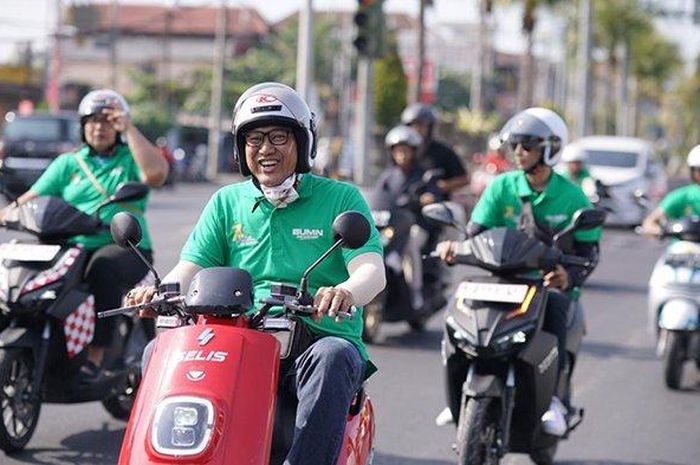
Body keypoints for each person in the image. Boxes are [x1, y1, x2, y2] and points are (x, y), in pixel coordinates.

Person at [126, 82, 386, 465]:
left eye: (279, 137)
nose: (266, 149)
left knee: (333, 356)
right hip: (237, 334)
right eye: (254, 139)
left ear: (303, 143)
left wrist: (345, 292)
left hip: (312, 337)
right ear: (240, 150)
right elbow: (191, 266)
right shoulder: (227, 202)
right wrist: (155, 290)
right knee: (159, 350)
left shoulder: (340, 198)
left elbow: (370, 269)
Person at [436, 107, 601, 437]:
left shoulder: (572, 196)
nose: (520, 153)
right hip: (497, 278)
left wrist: (570, 278)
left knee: (556, 310)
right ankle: (458, 396)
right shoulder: (501, 187)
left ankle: (555, 400)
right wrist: (453, 248)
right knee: (456, 315)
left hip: (546, 283)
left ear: (550, 148)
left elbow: (588, 251)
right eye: (516, 146)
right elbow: (476, 233)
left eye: (528, 146)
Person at [0, 89, 169, 382]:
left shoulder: (131, 158)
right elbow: (31, 198)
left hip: (123, 244)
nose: (99, 127)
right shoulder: (69, 163)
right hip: (70, 243)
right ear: (82, 126)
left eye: (107, 121)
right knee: (20, 275)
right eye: (91, 121)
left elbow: (156, 175)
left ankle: (96, 357)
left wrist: (128, 126)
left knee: (102, 269)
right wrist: (7, 214)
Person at [374, 124, 444, 310]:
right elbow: (376, 199)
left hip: (417, 225)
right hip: (392, 225)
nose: (402, 155)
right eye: (398, 151)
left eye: (406, 151)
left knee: (410, 244)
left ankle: (416, 292)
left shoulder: (423, 175)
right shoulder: (387, 177)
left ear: (414, 152)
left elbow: (434, 195)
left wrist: (427, 199)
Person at [400, 103, 469, 196]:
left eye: (421, 125)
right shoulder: (401, 151)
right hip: (406, 202)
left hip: (436, 205)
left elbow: (464, 179)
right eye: (412, 125)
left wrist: (442, 186)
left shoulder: (443, 151)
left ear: (429, 127)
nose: (416, 129)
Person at [642, 144, 700, 235]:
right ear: (692, 171)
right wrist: (661, 231)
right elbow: (649, 222)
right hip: (683, 246)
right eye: (699, 170)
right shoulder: (682, 196)